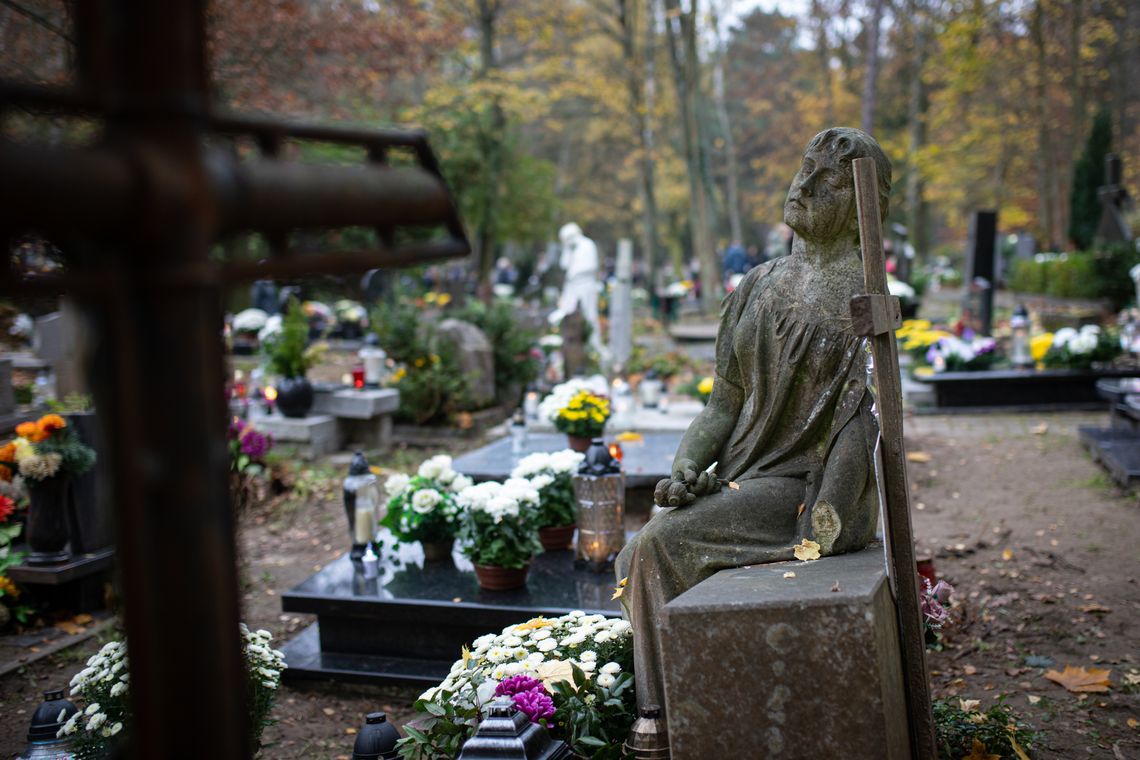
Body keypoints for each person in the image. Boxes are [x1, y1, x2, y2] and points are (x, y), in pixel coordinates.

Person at [615, 127, 891, 712]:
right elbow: (722, 405)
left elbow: (865, 420)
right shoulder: (759, 284)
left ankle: (662, 717)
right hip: (744, 474)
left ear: (864, 206)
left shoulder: (864, 300)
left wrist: (828, 516)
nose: (806, 185)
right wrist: (689, 463)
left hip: (804, 486)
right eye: (805, 167)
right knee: (650, 539)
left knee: (657, 545)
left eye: (832, 181)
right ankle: (695, 698)